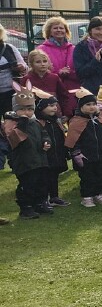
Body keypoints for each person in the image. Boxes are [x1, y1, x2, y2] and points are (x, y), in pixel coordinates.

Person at [3, 90, 52, 220]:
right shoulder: (12, 124)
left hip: (39, 159)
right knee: (27, 185)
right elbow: (14, 139)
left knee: (41, 183)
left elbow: (44, 134)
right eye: (22, 109)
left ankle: (39, 203)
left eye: (30, 109)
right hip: (24, 162)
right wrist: (22, 123)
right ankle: (26, 207)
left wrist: (46, 142)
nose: (26, 112)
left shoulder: (36, 123)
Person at [66, 89, 102, 208]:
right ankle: (87, 197)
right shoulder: (76, 122)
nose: (92, 107)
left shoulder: (99, 120)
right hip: (86, 157)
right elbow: (73, 139)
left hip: (101, 155)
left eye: (94, 104)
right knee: (87, 177)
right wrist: (76, 153)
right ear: (81, 107)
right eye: (88, 104)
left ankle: (99, 194)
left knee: (101, 175)